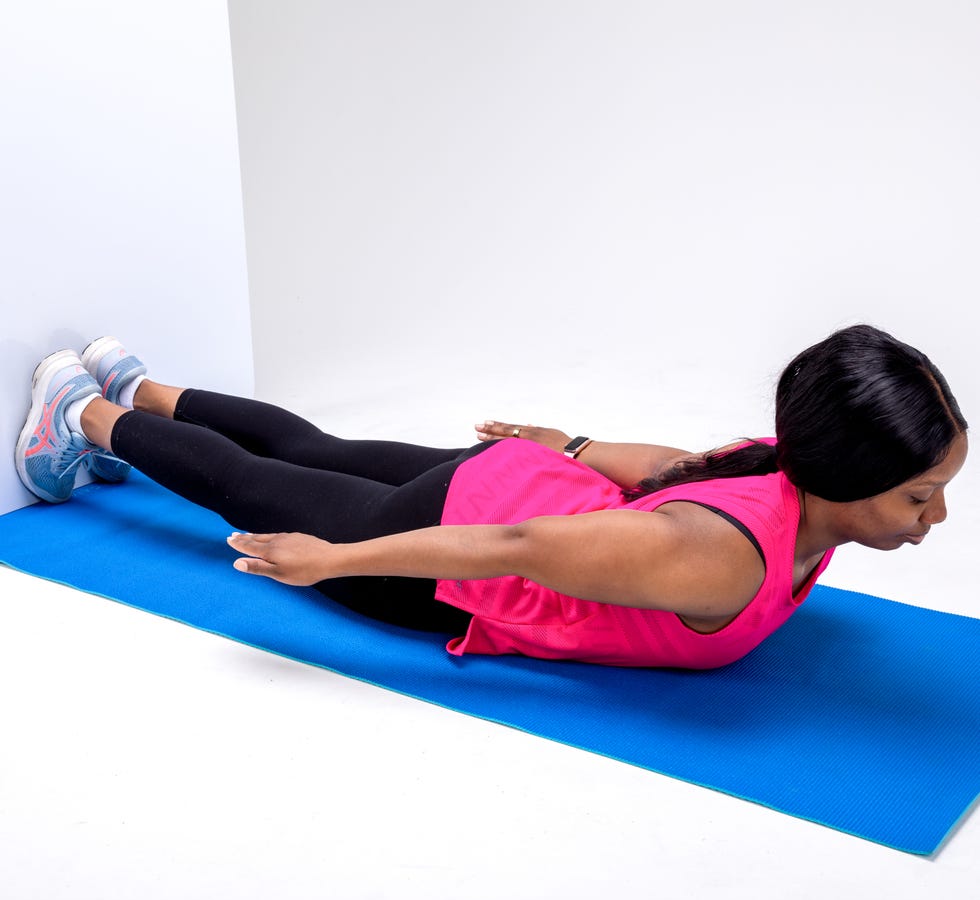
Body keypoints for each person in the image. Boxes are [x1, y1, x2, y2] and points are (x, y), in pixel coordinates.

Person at [15, 325, 968, 669]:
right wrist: (333, 561)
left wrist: (576, 444)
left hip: (515, 486)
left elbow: (673, 463)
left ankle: (135, 384)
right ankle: (86, 414)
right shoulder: (720, 556)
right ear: (847, 477)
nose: (937, 518)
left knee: (317, 446)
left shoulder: (787, 460)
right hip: (455, 555)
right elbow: (515, 548)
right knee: (259, 487)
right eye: (920, 497)